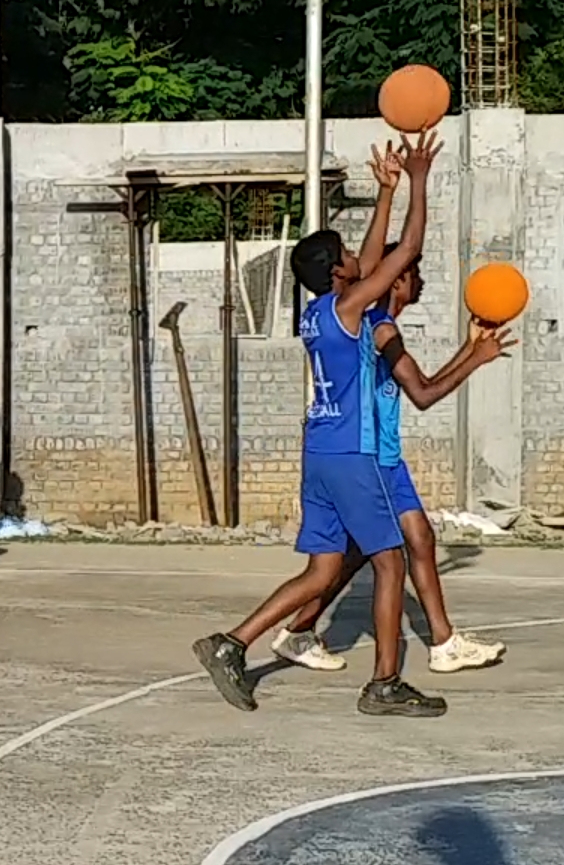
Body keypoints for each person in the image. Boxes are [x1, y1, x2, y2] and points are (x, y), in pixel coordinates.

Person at [193, 130, 477, 718]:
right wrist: (420, 180)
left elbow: (370, 262)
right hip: (353, 454)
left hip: (319, 453)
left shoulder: (321, 313)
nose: (357, 257)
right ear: (337, 271)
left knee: (324, 569)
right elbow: (403, 251)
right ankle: (385, 683)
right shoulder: (351, 310)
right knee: (390, 560)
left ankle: (231, 644)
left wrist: (385, 193)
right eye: (347, 254)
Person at [271, 220, 512, 674]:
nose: (418, 279)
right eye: (414, 271)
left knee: (406, 541)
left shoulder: (372, 321)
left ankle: (436, 642)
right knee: (382, 558)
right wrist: (475, 358)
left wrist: (469, 348)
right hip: (367, 458)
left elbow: (415, 382)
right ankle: (388, 672)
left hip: (375, 455)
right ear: (397, 277)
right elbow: (422, 391)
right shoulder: (375, 325)